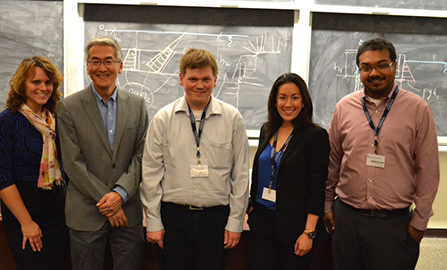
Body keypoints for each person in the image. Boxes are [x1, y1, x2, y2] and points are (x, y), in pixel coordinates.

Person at [324, 38, 440, 270]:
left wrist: (419, 223)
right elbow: (333, 161)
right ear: (359, 70)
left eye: (381, 65)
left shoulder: (418, 110)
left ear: (395, 66)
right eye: (366, 67)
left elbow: (428, 170)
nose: (374, 72)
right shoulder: (344, 108)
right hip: (347, 219)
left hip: (394, 225)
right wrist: (327, 204)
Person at [141, 48, 250, 270]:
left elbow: (240, 174)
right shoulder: (163, 118)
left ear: (215, 80)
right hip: (173, 218)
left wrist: (235, 222)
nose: (199, 85)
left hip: (216, 219)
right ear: (181, 79)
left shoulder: (232, 118)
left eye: (205, 79)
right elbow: (151, 174)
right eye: (193, 79)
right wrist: (153, 221)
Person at [57, 36, 148, 270]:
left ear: (120, 65)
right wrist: (108, 202)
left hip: (127, 211)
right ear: (87, 67)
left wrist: (119, 195)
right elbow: (72, 162)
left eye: (108, 61)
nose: (102, 67)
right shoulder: (68, 107)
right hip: (85, 213)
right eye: (95, 61)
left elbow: (141, 156)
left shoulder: (137, 105)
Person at [0, 56, 68, 269]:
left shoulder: (58, 119)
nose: (43, 88)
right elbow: (2, 178)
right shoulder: (6, 122)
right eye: (36, 82)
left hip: (59, 214)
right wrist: (26, 222)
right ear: (22, 85)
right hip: (24, 213)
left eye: (48, 82)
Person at [247, 73, 330, 269]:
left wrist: (308, 232)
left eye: (295, 97)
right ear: (275, 102)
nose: (288, 104)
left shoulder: (315, 136)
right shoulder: (267, 130)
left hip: (295, 227)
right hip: (262, 223)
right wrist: (252, 207)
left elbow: (317, 187)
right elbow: (260, 172)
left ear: (303, 102)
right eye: (282, 97)